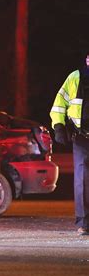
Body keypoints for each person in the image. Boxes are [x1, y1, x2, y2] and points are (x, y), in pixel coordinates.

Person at [50, 51, 89, 236]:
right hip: (81, 138)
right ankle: (83, 223)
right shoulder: (75, 78)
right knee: (82, 180)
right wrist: (59, 126)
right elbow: (59, 104)